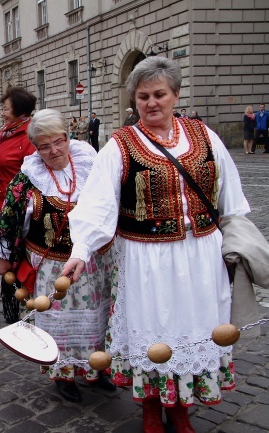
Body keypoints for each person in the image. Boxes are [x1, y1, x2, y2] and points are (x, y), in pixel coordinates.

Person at [62, 56, 249, 433]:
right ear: (135, 100)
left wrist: (238, 239)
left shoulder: (204, 136)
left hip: (201, 255)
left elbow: (231, 193)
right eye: (143, 96)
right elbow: (97, 204)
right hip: (146, 257)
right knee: (153, 329)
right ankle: (151, 407)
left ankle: (181, 410)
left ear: (175, 95)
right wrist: (80, 250)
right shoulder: (121, 145)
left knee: (196, 326)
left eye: (159, 94)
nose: (151, 103)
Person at [0, 109, 115, 402]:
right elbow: (9, 218)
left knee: (96, 318)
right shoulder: (28, 178)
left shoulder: (90, 164)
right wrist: (3, 256)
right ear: (36, 147)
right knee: (58, 319)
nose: (53, 150)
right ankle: (64, 373)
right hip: (51, 265)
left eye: (58, 141)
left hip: (93, 263)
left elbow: (109, 205)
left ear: (68, 138)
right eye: (44, 146)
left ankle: (96, 369)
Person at [0, 86, 37, 323]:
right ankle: (12, 309)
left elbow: (34, 172)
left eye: (5, 108)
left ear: (18, 110)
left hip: (20, 208)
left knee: (18, 256)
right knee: (7, 257)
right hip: (1, 201)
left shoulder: (29, 135)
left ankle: (27, 308)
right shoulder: (7, 131)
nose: (2, 113)